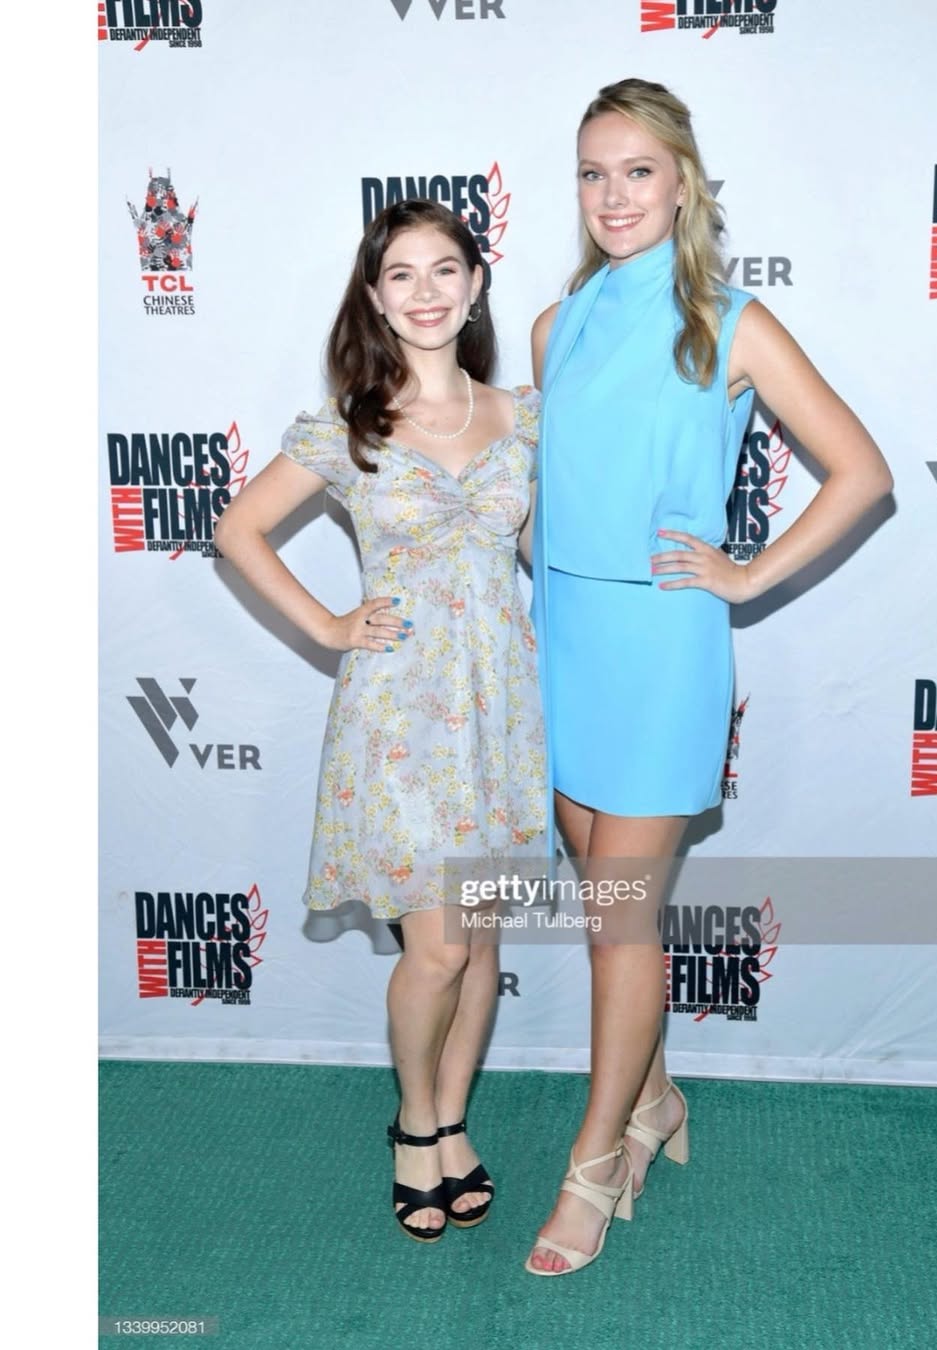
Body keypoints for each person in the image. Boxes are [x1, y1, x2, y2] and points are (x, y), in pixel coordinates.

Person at [523, 78, 894, 1276]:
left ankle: (592, 1167)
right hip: (566, 637)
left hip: (661, 648)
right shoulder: (555, 326)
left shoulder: (734, 325)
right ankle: (654, 1100)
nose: (614, 195)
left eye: (637, 170)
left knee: (617, 923)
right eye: (593, 173)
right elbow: (550, 493)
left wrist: (747, 572)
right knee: (603, 903)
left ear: (683, 182)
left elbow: (863, 471)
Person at [214, 199, 547, 1245]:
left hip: (500, 711)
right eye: (401, 274)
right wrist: (328, 624)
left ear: (476, 284)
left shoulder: (526, 418)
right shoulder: (347, 425)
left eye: (445, 269)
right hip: (401, 718)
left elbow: (551, 557)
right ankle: (412, 1125)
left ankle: (451, 1120)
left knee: (479, 946)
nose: (426, 292)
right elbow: (238, 529)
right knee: (438, 949)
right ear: (374, 295)